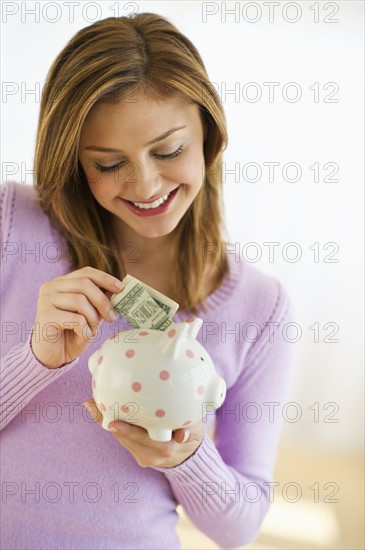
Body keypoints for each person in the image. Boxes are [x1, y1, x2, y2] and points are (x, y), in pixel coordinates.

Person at [0, 13, 295, 550]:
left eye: (168, 150)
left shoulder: (260, 306)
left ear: (209, 131)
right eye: (109, 163)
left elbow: (240, 528)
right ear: (72, 160)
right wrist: (35, 360)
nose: (146, 184)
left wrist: (184, 454)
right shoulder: (11, 224)